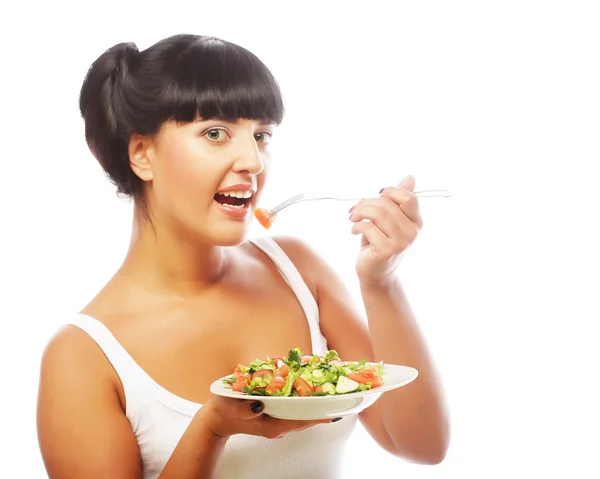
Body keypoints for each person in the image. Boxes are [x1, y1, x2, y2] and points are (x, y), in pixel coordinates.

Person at [36, 34, 449, 479]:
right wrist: (211, 430)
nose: (252, 161)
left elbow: (421, 445)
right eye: (215, 133)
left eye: (261, 135)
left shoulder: (298, 270)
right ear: (142, 153)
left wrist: (380, 281)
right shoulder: (82, 357)